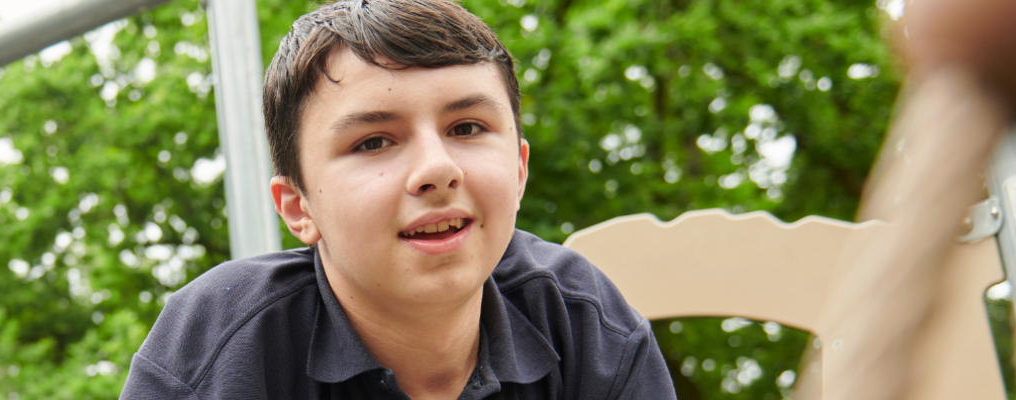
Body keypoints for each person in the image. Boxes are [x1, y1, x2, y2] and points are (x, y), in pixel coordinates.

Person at [122, 0, 676, 398]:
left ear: (519, 168)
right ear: (298, 207)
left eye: (467, 127)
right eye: (374, 141)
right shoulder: (219, 350)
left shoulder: (586, 325)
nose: (437, 168)